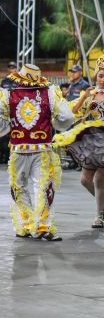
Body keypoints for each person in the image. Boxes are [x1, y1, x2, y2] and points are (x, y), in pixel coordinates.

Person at [0, 64, 74, 241]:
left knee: (19, 186)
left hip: (19, 149)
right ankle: (43, 226)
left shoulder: (8, 94)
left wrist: (8, 128)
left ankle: (25, 226)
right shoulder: (49, 93)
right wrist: (53, 124)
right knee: (43, 187)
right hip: (42, 149)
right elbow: (68, 117)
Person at [56, 57, 104, 227]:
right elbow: (72, 113)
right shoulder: (90, 94)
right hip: (94, 140)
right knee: (85, 180)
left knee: (100, 178)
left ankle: (99, 216)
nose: (102, 79)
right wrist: (84, 97)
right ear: (96, 77)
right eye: (100, 76)